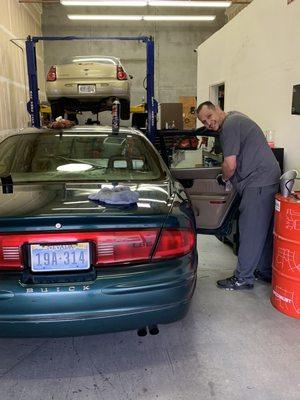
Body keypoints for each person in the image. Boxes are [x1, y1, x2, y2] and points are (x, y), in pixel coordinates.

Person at [197, 101, 281, 290]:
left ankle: (243, 278)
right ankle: (263, 270)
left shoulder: (229, 126)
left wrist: (224, 178)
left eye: (209, 116)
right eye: (204, 121)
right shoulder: (236, 117)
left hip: (258, 180)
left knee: (250, 229)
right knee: (263, 230)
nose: (208, 123)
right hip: (267, 177)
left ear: (218, 109)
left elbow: (230, 165)